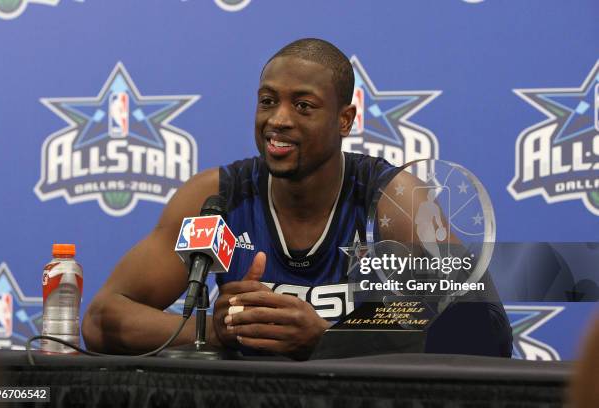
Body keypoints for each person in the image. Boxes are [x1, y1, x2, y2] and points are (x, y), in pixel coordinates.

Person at [82, 38, 512, 360]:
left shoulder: (393, 200)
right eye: (268, 101)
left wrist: (328, 335)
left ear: (344, 120)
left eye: (303, 105)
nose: (278, 120)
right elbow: (102, 320)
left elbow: (482, 332)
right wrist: (217, 329)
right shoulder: (216, 198)